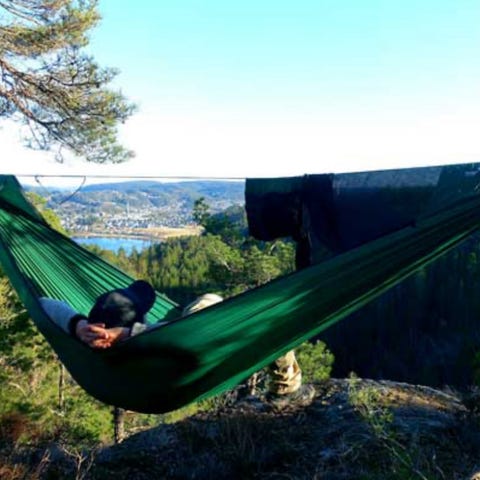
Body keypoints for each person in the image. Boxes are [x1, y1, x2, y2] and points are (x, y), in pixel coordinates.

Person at [40, 281, 314, 407]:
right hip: (192, 361)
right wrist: (128, 333)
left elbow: (44, 303)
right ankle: (285, 388)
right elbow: (171, 334)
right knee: (214, 303)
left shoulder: (87, 343)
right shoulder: (153, 339)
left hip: (142, 382)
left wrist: (78, 326)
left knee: (202, 309)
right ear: (139, 320)